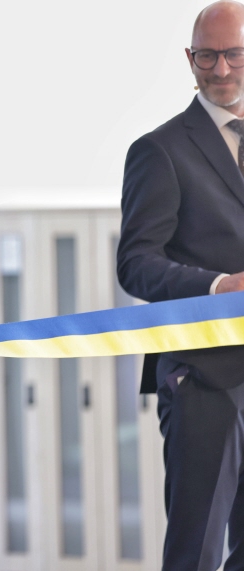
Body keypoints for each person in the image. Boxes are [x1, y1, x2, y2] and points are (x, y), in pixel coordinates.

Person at [117, 2, 244, 568]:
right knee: (196, 550)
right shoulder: (158, 150)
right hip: (204, 380)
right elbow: (136, 263)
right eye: (206, 56)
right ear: (189, 59)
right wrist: (219, 285)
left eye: (234, 54)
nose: (219, 70)